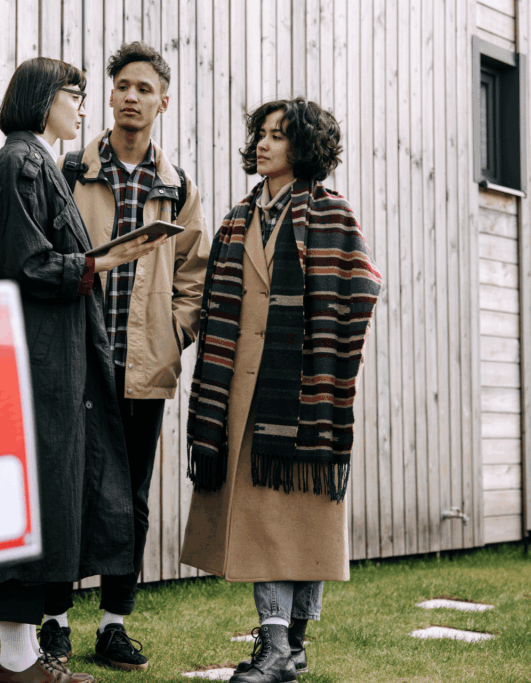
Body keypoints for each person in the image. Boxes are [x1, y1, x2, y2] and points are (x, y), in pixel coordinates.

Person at [0, 57, 168, 683]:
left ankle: (20, 659)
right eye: (74, 95)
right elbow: (29, 264)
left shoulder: (33, 162)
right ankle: (19, 662)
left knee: (36, 503)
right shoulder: (24, 163)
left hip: (44, 360)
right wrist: (102, 263)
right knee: (28, 502)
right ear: (44, 99)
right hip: (34, 362)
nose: (84, 107)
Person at [180, 98, 382, 683]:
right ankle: (275, 646)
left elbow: (362, 288)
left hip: (305, 390)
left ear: (305, 146)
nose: (264, 144)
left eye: (278, 136)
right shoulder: (237, 218)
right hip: (241, 394)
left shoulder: (332, 214)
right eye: (260, 135)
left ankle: (288, 648)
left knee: (304, 525)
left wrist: (322, 350)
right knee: (265, 521)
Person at [37, 41, 211, 672]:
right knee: (65, 491)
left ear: (163, 101)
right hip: (78, 362)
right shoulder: (66, 171)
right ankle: (53, 622)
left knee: (129, 498)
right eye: (122, 86)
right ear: (110, 97)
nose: (131, 97)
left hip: (143, 368)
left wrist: (175, 331)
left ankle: (113, 625)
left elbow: (195, 274)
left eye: (144, 88)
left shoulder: (179, 186)